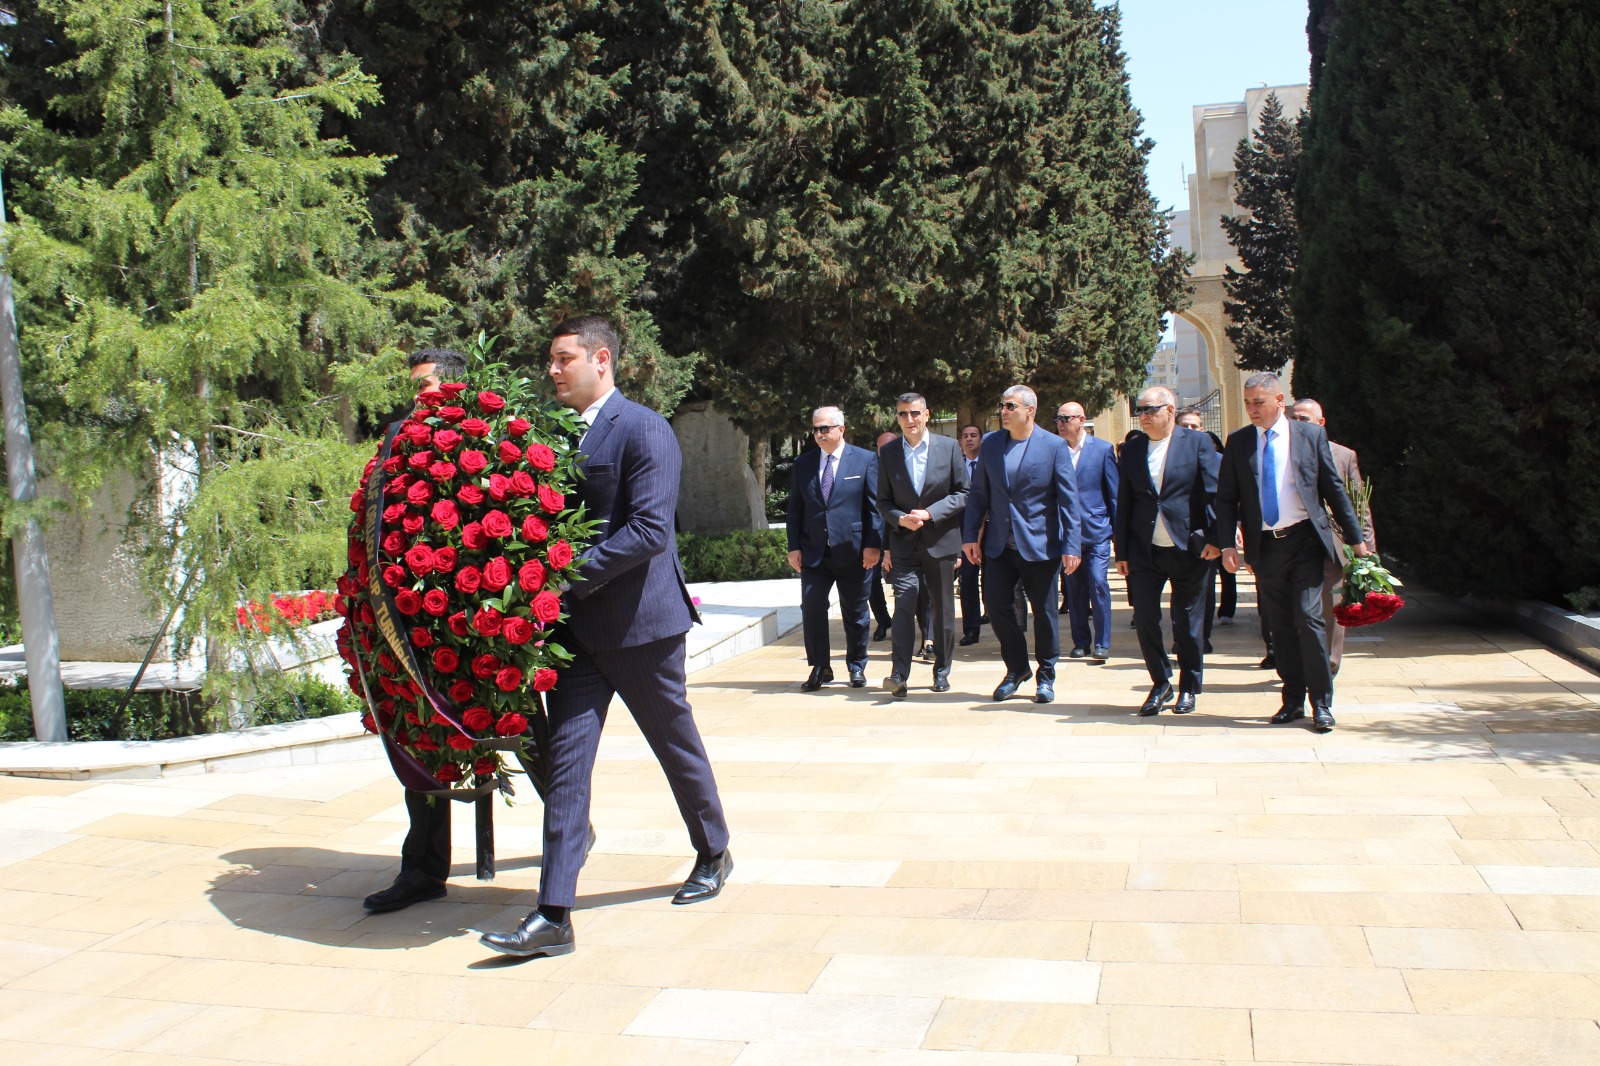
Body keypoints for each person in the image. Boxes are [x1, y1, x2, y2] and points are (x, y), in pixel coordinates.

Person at [479, 316, 732, 958]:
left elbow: (649, 529)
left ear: (601, 360)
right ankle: (553, 914)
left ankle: (714, 851)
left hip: (641, 628)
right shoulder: (558, 435)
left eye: (564, 359)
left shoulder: (643, 428)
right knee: (566, 765)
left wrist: (559, 580)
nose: (553, 370)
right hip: (578, 637)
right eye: (551, 360)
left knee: (675, 745)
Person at [362, 349, 471, 913]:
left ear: (454, 386)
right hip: (408, 616)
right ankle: (423, 868)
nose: (417, 396)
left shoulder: (484, 435)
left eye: (426, 384)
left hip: (472, 623)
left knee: (523, 739)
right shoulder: (397, 438)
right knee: (420, 738)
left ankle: (568, 832)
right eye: (415, 387)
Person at [1212, 373, 1369, 733]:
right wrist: (1226, 545)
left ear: (1279, 401)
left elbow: (1333, 489)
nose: (1252, 409)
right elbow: (1225, 498)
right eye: (1248, 402)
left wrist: (1357, 541)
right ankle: (1292, 700)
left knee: (1309, 618)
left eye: (1259, 402)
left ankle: (1322, 703)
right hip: (1265, 546)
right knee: (1279, 626)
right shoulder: (1238, 443)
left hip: (1305, 542)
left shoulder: (1309, 436)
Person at [962, 385, 1081, 704]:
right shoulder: (991, 445)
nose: (1003, 411)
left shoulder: (1054, 446)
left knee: (1044, 612)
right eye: (1001, 405)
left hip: (1041, 545)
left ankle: (1046, 674)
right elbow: (978, 494)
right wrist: (970, 536)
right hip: (999, 545)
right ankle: (1016, 669)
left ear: (1030, 410)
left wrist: (1073, 544)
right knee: (997, 605)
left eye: (1010, 406)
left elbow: (1069, 500)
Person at [1113, 387, 1220, 716]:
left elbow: (1214, 493)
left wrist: (1217, 538)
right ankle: (1160, 682)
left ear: (1171, 411)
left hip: (1189, 548)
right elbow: (1125, 501)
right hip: (1145, 549)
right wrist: (1122, 552)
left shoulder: (1198, 443)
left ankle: (1189, 686)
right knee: (1145, 618)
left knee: (1187, 623)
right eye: (1139, 410)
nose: (1143, 416)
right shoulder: (1132, 450)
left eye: (1150, 410)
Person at [877, 393, 969, 696]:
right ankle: (899, 673)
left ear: (927, 414)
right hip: (903, 544)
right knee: (903, 605)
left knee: (942, 609)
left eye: (914, 413)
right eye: (903, 414)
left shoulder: (949, 447)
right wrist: (899, 519)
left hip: (940, 541)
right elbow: (883, 501)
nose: (909, 420)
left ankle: (941, 669)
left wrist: (931, 513)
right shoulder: (889, 453)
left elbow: (963, 493)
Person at [786, 406, 883, 690]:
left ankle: (856, 665)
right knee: (812, 606)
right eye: (815, 429)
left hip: (853, 550)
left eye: (825, 428)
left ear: (841, 429)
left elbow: (874, 508)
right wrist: (794, 547)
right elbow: (795, 510)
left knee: (855, 611)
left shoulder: (864, 460)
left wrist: (873, 545)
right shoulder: (804, 464)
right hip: (815, 552)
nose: (819, 434)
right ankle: (820, 666)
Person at [1291, 397, 1376, 676]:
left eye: (1304, 419)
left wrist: (1366, 546)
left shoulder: (1344, 455)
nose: (1298, 423)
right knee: (1301, 608)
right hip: (1296, 541)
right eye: (1295, 418)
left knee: (1331, 606)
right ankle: (1302, 660)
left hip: (1335, 543)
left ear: (1321, 423)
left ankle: (1328, 664)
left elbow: (1358, 504)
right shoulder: (1283, 452)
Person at [1056, 402, 1118, 661]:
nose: (1060, 423)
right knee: (1074, 590)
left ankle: (1102, 642)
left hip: (1097, 531)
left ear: (1081, 420)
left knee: (1098, 582)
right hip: (1067, 534)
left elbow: (1113, 494)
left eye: (1066, 418)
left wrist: (1118, 534)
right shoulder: (1054, 450)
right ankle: (1081, 641)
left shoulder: (1102, 450)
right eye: (1057, 418)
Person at [1176, 408, 1228, 653]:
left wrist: (1221, 535)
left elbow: (1223, 498)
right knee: (1178, 592)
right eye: (1184, 426)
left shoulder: (1217, 459)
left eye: (1194, 426)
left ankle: (1202, 637)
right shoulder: (1167, 455)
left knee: (1204, 590)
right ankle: (1180, 638)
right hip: (1172, 532)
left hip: (1202, 533)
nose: (1189, 431)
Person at [868, 431, 900, 641]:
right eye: (881, 448)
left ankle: (904, 623)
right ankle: (882, 620)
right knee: (871, 582)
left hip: (899, 532)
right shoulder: (870, 469)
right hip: (874, 533)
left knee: (902, 582)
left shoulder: (904, 467)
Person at [955, 423, 986, 646]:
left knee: (994, 583)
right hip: (964, 534)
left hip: (991, 530)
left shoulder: (988, 464)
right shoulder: (957, 467)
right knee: (967, 584)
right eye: (965, 436)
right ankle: (971, 629)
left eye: (973, 435)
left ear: (980, 440)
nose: (969, 439)